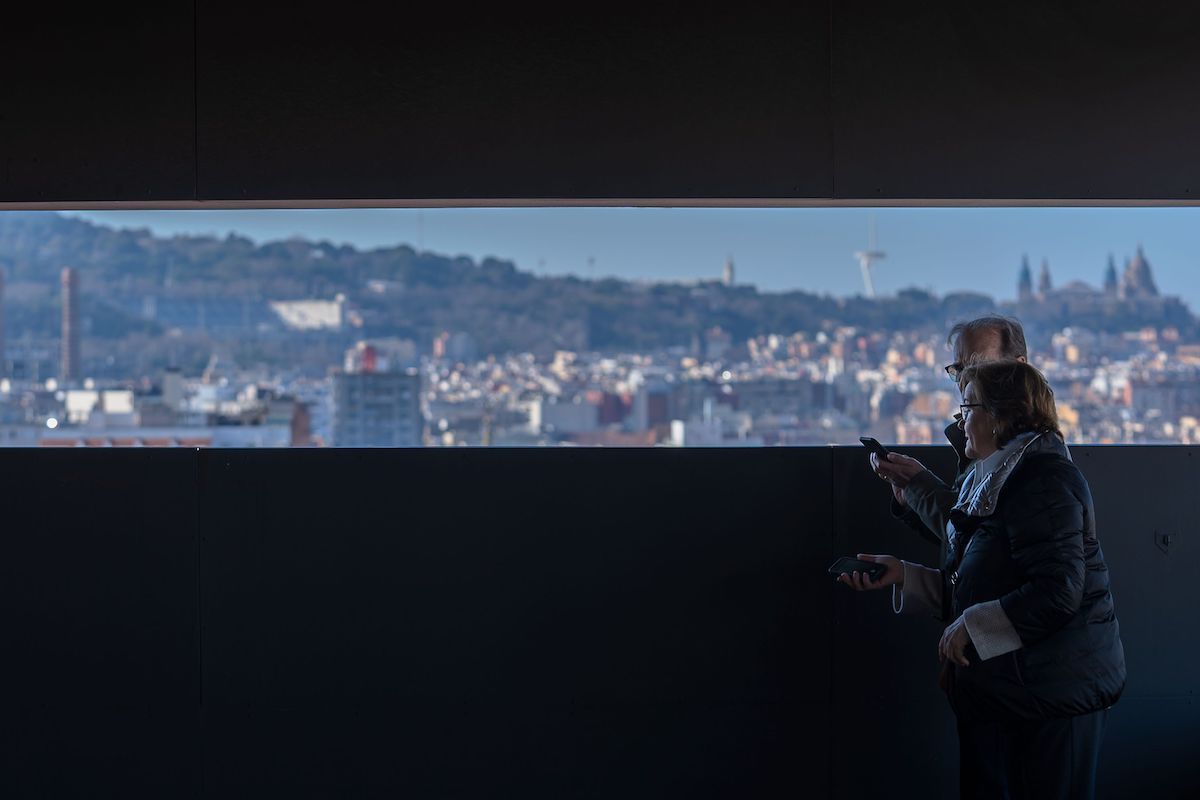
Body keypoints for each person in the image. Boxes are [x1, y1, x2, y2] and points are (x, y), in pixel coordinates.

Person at [839, 360, 1125, 799]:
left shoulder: (1042, 480)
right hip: (1015, 692)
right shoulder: (994, 475)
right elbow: (983, 575)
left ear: (1001, 416)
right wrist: (904, 577)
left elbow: (1057, 590)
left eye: (968, 407)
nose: (960, 419)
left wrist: (972, 626)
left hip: (1050, 696)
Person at [872, 316, 1029, 559]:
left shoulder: (1026, 446)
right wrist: (911, 497)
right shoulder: (985, 434)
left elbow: (977, 537)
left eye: (979, 366)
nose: (966, 378)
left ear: (1020, 367)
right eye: (960, 369)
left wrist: (918, 486)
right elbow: (962, 540)